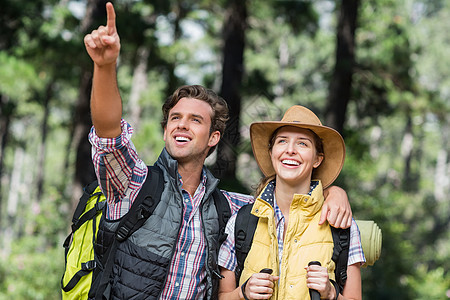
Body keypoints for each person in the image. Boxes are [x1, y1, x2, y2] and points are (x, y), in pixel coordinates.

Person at [84, 2, 353, 299]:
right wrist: (105, 66)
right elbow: (109, 133)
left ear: (213, 138)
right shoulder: (133, 185)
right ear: (165, 131)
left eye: (195, 120)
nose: (182, 126)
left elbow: (286, 201)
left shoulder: (229, 208)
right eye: (175, 118)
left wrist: (332, 193)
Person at [218, 105, 365, 300]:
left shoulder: (342, 226)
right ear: (271, 153)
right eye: (282, 141)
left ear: (317, 159)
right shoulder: (242, 220)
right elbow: (222, 296)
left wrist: (331, 293)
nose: (290, 150)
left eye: (302, 144)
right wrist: (242, 292)